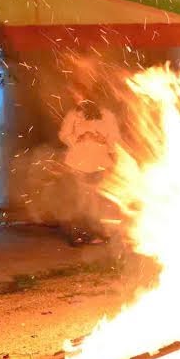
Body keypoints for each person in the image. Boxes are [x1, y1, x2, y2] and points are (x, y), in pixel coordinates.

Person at [58, 92, 120, 246]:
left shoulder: (107, 116)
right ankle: (77, 234)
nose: (77, 100)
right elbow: (63, 134)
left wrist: (103, 140)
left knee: (94, 200)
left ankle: (93, 232)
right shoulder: (73, 115)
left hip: (99, 161)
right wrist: (78, 138)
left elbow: (114, 137)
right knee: (80, 199)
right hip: (78, 162)